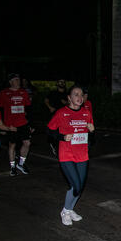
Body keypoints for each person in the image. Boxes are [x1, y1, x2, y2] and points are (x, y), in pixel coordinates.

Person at [47, 85, 95, 226]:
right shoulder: (62, 113)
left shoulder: (87, 113)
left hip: (82, 155)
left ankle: (69, 209)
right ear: (69, 98)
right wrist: (62, 137)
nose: (79, 97)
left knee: (79, 187)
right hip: (66, 154)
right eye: (75, 94)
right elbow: (49, 131)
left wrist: (92, 132)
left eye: (81, 95)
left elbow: (91, 138)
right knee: (76, 185)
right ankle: (65, 211)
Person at [0, 73, 32, 176]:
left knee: (27, 143)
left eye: (19, 80)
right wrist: (2, 126)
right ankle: (12, 167)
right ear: (10, 82)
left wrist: (31, 124)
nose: (18, 82)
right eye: (16, 80)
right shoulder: (4, 93)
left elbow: (28, 109)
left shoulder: (23, 92)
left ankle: (21, 164)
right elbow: (0, 110)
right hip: (10, 125)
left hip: (23, 123)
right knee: (12, 145)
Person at [45, 80, 69, 156]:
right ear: (57, 84)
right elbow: (46, 100)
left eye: (63, 82)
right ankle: (52, 143)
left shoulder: (67, 93)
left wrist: (66, 103)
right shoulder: (53, 93)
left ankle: (62, 148)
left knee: (63, 132)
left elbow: (71, 102)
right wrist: (50, 107)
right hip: (55, 114)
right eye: (60, 82)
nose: (62, 83)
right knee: (52, 131)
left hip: (65, 116)